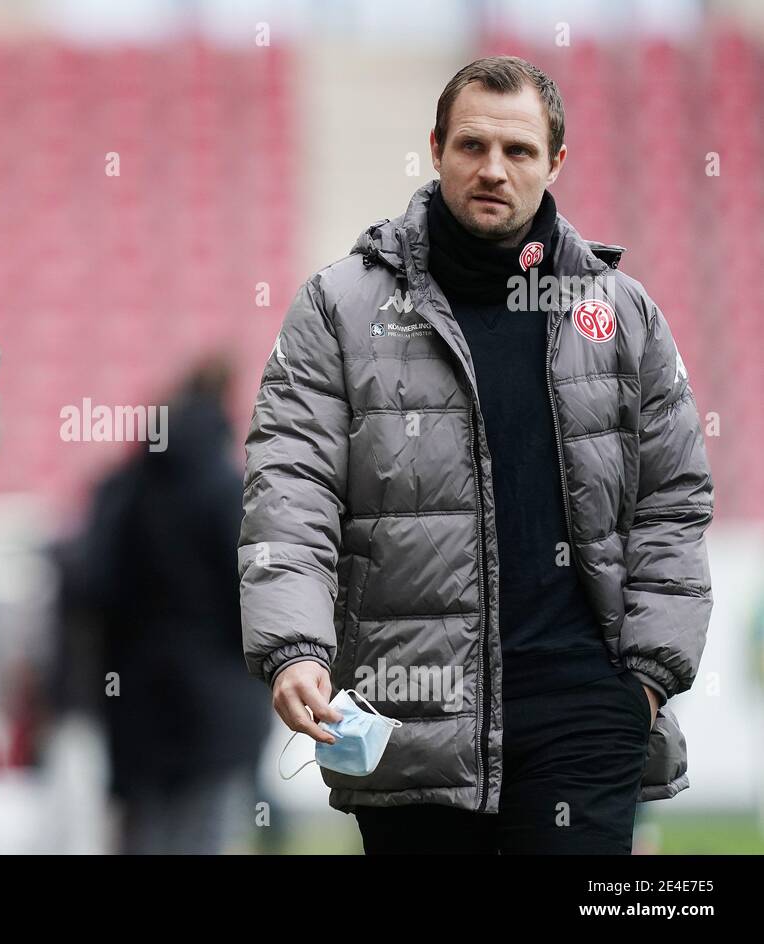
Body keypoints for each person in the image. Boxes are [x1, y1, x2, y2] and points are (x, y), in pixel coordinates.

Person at [238, 56, 713, 854]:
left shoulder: (622, 313)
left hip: (584, 711)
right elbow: (291, 484)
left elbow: (673, 497)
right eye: (472, 146)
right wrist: (295, 647)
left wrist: (647, 678)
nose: (493, 169)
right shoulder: (339, 308)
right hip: (409, 706)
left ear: (555, 162)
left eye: (519, 151)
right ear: (436, 148)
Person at [73, 358, 272, 854]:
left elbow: (89, 587)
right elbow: (248, 600)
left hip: (136, 714)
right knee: (207, 838)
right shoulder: (227, 489)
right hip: (216, 714)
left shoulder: (122, 488)